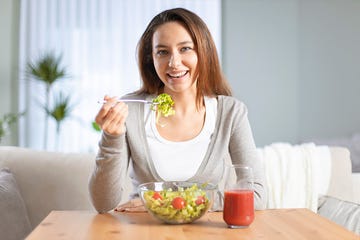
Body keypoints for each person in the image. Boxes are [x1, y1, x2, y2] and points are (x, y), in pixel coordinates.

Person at [89, 7, 267, 213]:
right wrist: (111, 138)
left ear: (204, 51)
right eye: (162, 52)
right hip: (143, 230)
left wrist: (161, 201)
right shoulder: (131, 110)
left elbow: (257, 196)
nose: (174, 63)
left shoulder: (231, 112)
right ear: (151, 59)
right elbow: (104, 204)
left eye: (185, 49)